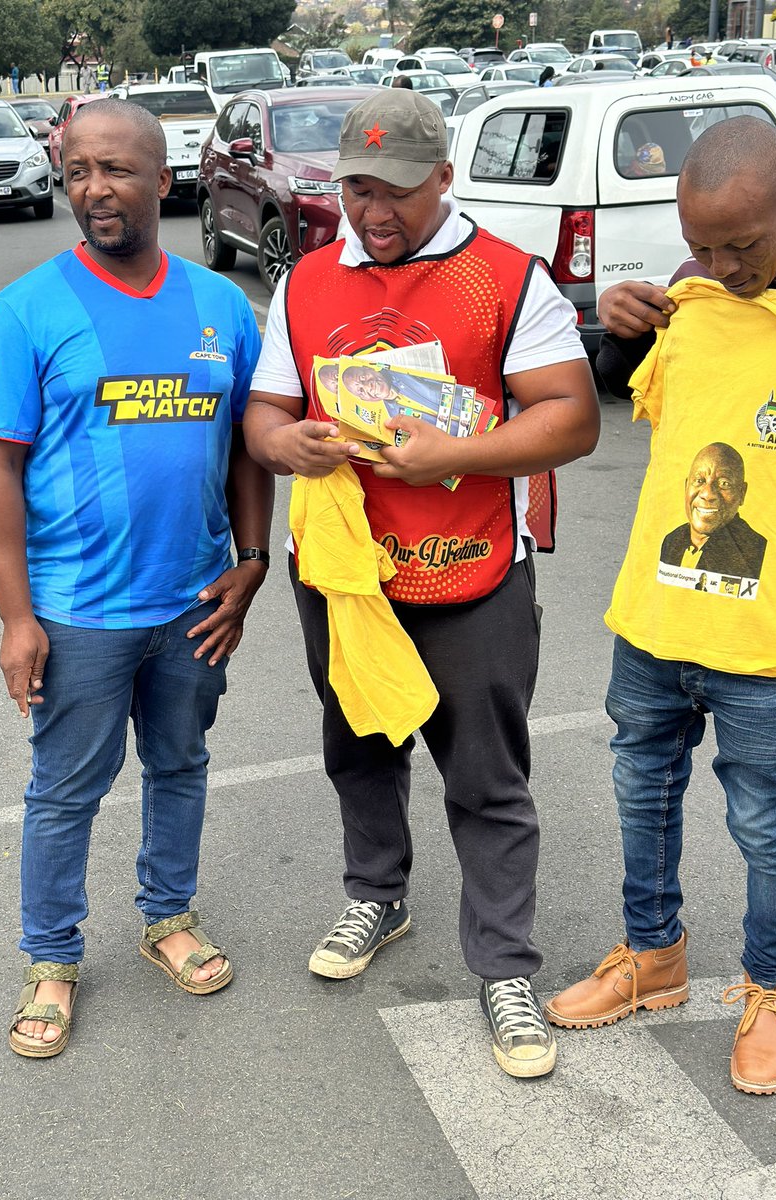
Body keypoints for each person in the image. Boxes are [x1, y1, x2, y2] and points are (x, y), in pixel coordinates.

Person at [243, 88, 600, 1080]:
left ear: (445, 178)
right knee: (359, 742)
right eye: (358, 189)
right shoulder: (309, 283)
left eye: (398, 189)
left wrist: (467, 447)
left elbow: (571, 418)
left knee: (486, 776)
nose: (376, 211)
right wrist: (291, 441)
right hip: (349, 571)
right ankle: (379, 892)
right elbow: (265, 416)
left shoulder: (507, 279)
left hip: (474, 564)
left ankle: (504, 966)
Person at [0, 100, 273, 1059]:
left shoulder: (220, 307)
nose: (94, 188)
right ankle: (51, 959)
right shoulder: (26, 309)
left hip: (193, 602)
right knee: (64, 791)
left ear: (164, 177)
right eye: (78, 170)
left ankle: (166, 917)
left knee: (180, 766)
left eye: (117, 170)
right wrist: (18, 619)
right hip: (77, 613)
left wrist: (252, 563)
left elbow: (249, 454)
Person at [546, 117, 776, 1095]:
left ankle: (771, 989)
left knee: (766, 825)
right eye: (703, 244)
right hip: (655, 624)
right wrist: (611, 330)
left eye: (743, 244)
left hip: (766, 640)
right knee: (640, 796)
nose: (723, 263)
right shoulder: (689, 309)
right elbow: (628, 394)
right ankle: (651, 957)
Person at [660, 442, 767, 579]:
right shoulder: (672, 540)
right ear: (686, 487)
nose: (708, 494)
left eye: (724, 483)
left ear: (742, 493)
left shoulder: (755, 551)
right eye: (699, 480)